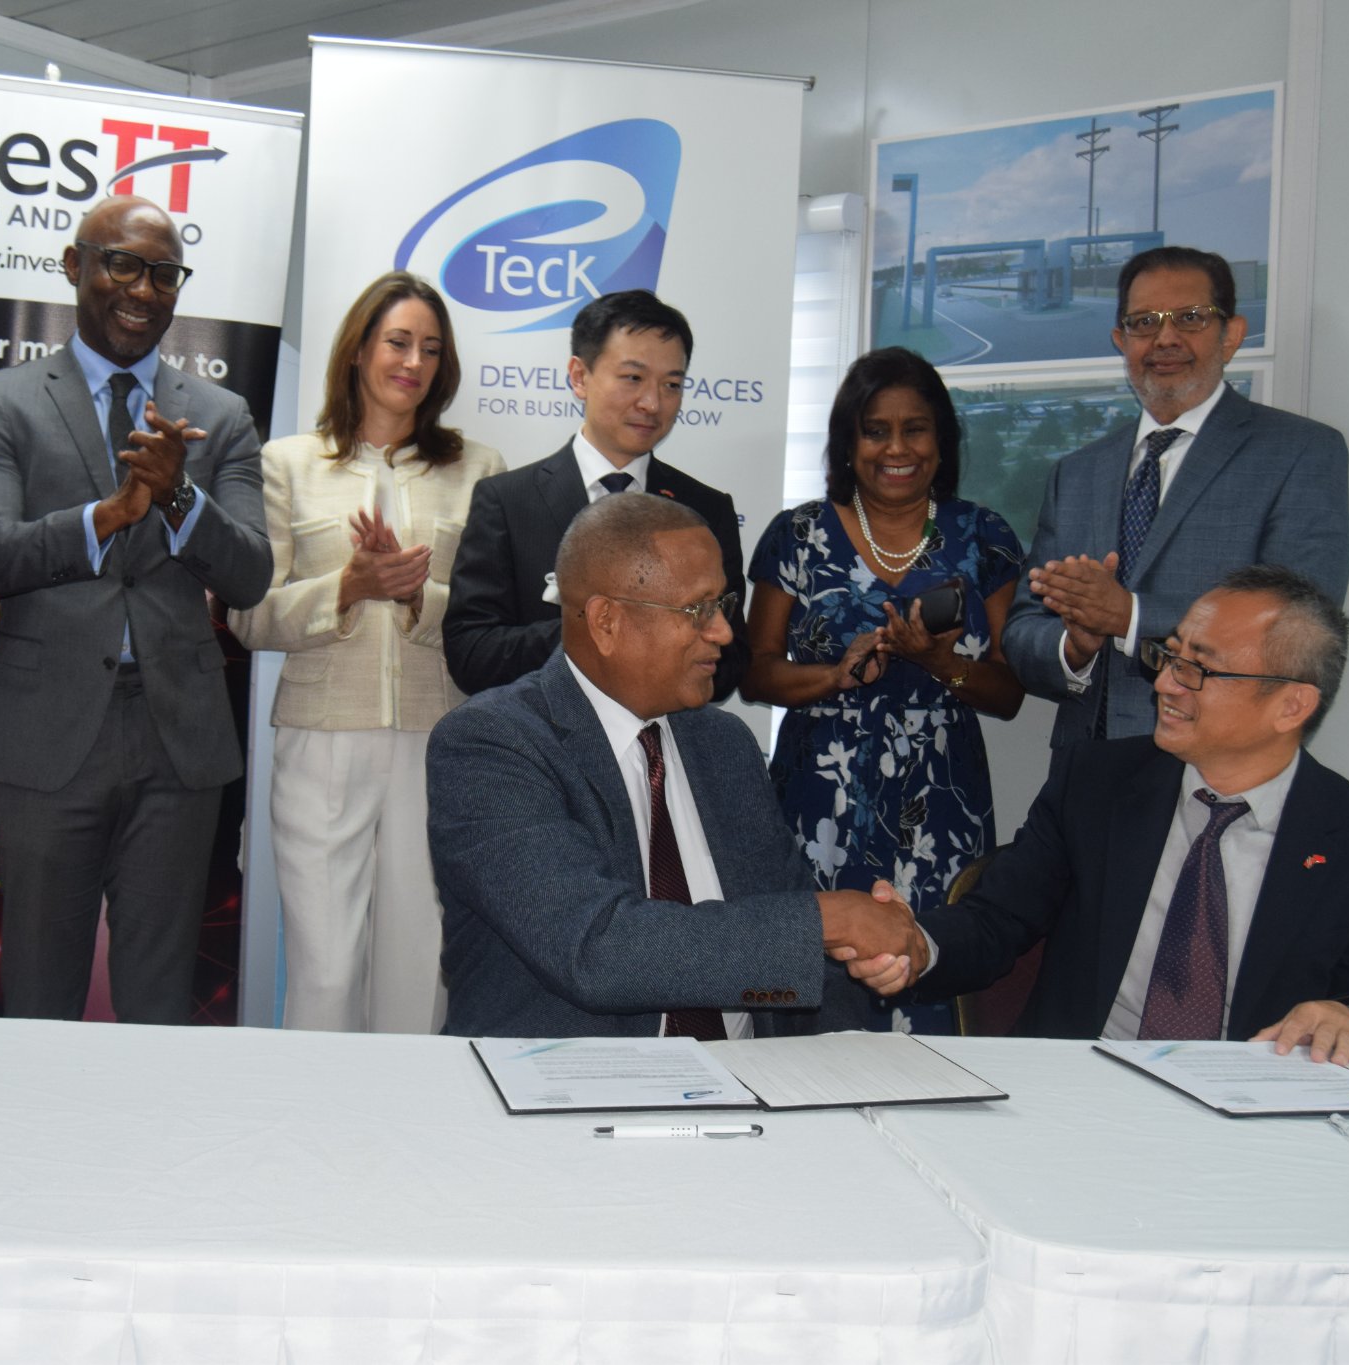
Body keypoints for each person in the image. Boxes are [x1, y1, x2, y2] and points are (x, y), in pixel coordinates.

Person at [0, 195, 272, 1024]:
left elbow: (250, 575)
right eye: (123, 264)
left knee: (159, 998)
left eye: (164, 274)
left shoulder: (220, 416)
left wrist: (178, 496)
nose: (143, 290)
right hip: (44, 732)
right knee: (40, 990)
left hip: (178, 738)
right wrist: (107, 516)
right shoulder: (1, 401)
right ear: (74, 265)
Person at [430, 492, 926, 1039]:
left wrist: (852, 991)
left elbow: (792, 969)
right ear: (607, 621)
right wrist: (829, 922)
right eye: (697, 610)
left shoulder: (724, 743)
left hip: (750, 1075)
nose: (723, 633)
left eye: (723, 605)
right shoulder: (493, 744)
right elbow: (595, 951)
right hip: (570, 1077)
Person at [907, 566, 1349, 1063]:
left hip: (1250, 1103)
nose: (1163, 684)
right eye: (1170, 655)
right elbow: (996, 920)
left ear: (1291, 706)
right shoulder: (1096, 783)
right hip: (1083, 1086)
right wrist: (914, 943)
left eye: (1197, 668)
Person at [228, 272, 503, 1033]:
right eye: (398, 342)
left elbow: (491, 621)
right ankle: (316, 1110)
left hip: (436, 739)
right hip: (322, 738)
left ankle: (407, 1110)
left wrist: (415, 597)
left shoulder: (479, 469)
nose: (413, 362)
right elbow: (250, 617)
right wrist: (347, 587)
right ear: (357, 349)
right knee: (325, 971)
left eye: (430, 349)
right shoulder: (287, 463)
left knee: (420, 966)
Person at [741, 348, 1025, 1033]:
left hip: (941, 801)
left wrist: (938, 663)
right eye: (876, 430)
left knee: (927, 969)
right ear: (849, 442)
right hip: (819, 794)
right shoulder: (798, 535)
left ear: (941, 440)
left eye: (915, 429)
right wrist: (834, 675)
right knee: (810, 975)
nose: (897, 448)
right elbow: (754, 672)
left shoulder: (984, 537)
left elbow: (1011, 692)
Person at [1002, 245, 1349, 746]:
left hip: (1217, 762)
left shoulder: (1301, 452)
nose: (1165, 338)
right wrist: (1074, 646)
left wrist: (1130, 616)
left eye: (1190, 318)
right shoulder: (1076, 473)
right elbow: (1022, 632)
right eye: (1144, 323)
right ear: (1121, 341)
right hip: (1083, 767)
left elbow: (1301, 627)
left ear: (1231, 335)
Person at [443, 290, 748, 701]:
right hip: (539, 736)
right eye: (633, 378)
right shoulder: (507, 501)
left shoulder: (705, 509)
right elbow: (472, 654)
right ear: (579, 376)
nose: (652, 402)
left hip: (662, 736)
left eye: (672, 384)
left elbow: (730, 663)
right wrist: (603, 627)